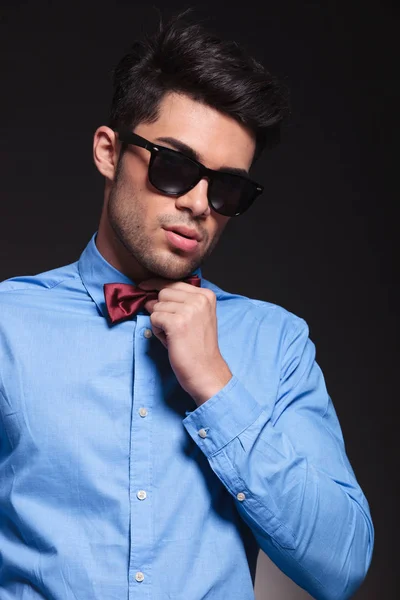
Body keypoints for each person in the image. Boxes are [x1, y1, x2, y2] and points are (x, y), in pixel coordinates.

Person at [0, 11, 374, 600]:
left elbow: (342, 564)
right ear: (109, 151)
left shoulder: (276, 344)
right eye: (175, 166)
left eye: (227, 188)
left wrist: (218, 390)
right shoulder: (8, 327)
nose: (201, 204)